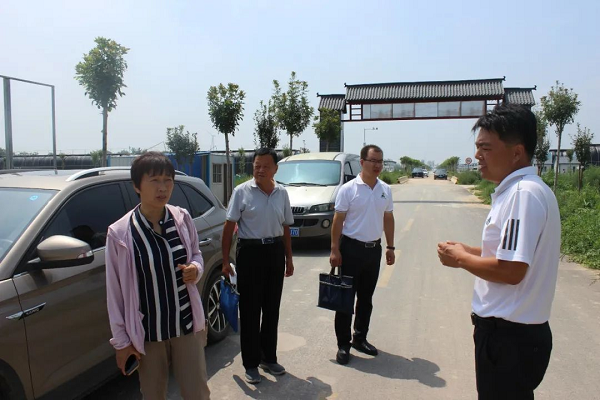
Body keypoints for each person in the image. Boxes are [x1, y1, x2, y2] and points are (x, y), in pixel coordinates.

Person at [437, 104, 560, 399]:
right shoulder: (523, 190)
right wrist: (470, 250)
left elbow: (512, 270)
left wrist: (461, 259)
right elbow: (512, 253)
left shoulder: (522, 194)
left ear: (516, 153)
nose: (477, 155)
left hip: (509, 337)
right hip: (513, 335)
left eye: (486, 148)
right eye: (478, 147)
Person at [106, 152, 210, 400]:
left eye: (168, 180)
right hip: (148, 336)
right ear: (137, 186)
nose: (162, 188)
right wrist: (121, 342)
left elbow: (196, 254)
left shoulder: (182, 219)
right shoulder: (120, 234)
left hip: (185, 326)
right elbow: (115, 293)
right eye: (154, 181)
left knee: (197, 393)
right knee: (153, 395)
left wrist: (195, 268)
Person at [221, 147, 294, 384]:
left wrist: (289, 258)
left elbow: (285, 227)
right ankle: (251, 364)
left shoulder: (282, 193)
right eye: (256, 166)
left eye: (265, 166)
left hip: (274, 252)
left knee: (272, 309)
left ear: (275, 169)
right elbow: (228, 228)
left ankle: (268, 358)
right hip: (250, 253)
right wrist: (225, 260)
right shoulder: (241, 192)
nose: (260, 170)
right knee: (250, 311)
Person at [329, 144, 395, 365]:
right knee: (345, 299)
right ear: (362, 162)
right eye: (373, 161)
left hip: (373, 250)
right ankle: (343, 345)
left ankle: (360, 338)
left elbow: (388, 218)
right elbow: (338, 220)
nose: (377, 165)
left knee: (366, 299)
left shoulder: (385, 189)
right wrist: (334, 249)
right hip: (350, 250)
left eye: (380, 161)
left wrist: (390, 247)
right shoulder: (348, 189)